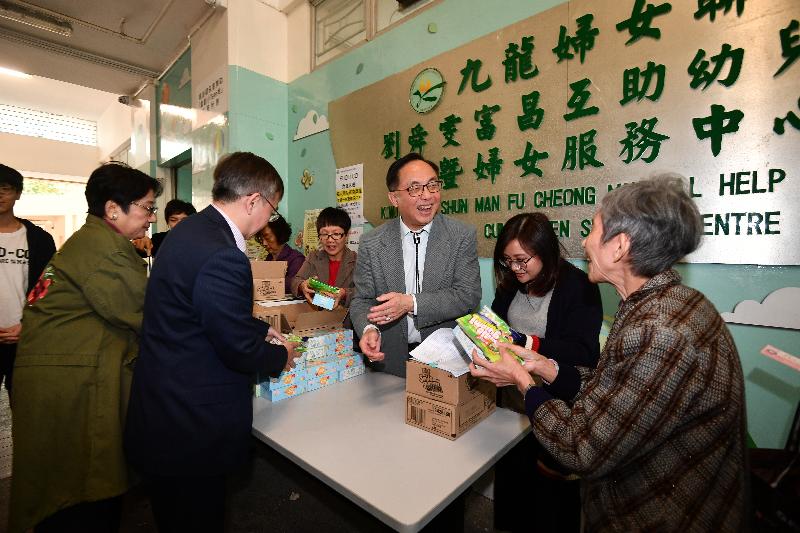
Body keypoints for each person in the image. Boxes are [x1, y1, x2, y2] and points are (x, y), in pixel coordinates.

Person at [470, 175, 748, 531]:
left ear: (619, 246)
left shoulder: (657, 332)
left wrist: (524, 381)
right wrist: (546, 366)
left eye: (593, 229)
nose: (584, 242)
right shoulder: (664, 304)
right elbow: (613, 386)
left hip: (661, 512)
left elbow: (580, 448)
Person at [124, 152, 298, 532]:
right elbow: (235, 346)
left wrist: (256, 329)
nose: (271, 219)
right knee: (196, 518)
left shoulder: (189, 231)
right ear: (254, 200)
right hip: (190, 428)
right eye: (273, 209)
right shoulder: (223, 253)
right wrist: (279, 354)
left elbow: (203, 315)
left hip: (163, 408)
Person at [9, 163, 162, 533]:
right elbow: (147, 316)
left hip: (58, 375)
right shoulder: (107, 253)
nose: (151, 218)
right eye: (146, 207)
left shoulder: (95, 242)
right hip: (70, 384)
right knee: (82, 487)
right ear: (113, 209)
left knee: (65, 480)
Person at [490, 212, 602, 533]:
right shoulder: (512, 283)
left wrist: (529, 342)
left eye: (523, 260)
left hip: (556, 409)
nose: (515, 269)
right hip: (512, 406)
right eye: (507, 261)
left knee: (550, 504)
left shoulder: (578, 287)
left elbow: (583, 354)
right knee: (512, 492)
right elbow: (498, 324)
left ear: (546, 251)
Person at [350, 152, 481, 377]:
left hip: (446, 363)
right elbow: (362, 300)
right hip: (389, 360)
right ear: (394, 198)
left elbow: (467, 295)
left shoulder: (461, 236)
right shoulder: (371, 242)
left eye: (432, 185)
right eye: (414, 188)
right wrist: (369, 329)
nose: (427, 196)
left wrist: (411, 303)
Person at [0, 164, 56, 405]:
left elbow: (49, 287)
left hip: (23, 337)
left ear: (18, 194)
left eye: (5, 189)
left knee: (24, 407)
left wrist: (28, 323)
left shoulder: (39, 239)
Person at [291, 206, 357, 309]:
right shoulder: (313, 257)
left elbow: (367, 291)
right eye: (325, 234)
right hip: (319, 318)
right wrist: (302, 285)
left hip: (347, 319)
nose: (330, 240)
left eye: (336, 234)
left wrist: (344, 293)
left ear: (346, 235)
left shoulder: (358, 260)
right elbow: (295, 281)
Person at [255, 215, 305, 295]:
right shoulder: (269, 258)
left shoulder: (296, 259)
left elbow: (293, 285)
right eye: (261, 239)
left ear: (279, 234)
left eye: (267, 238)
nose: (264, 243)